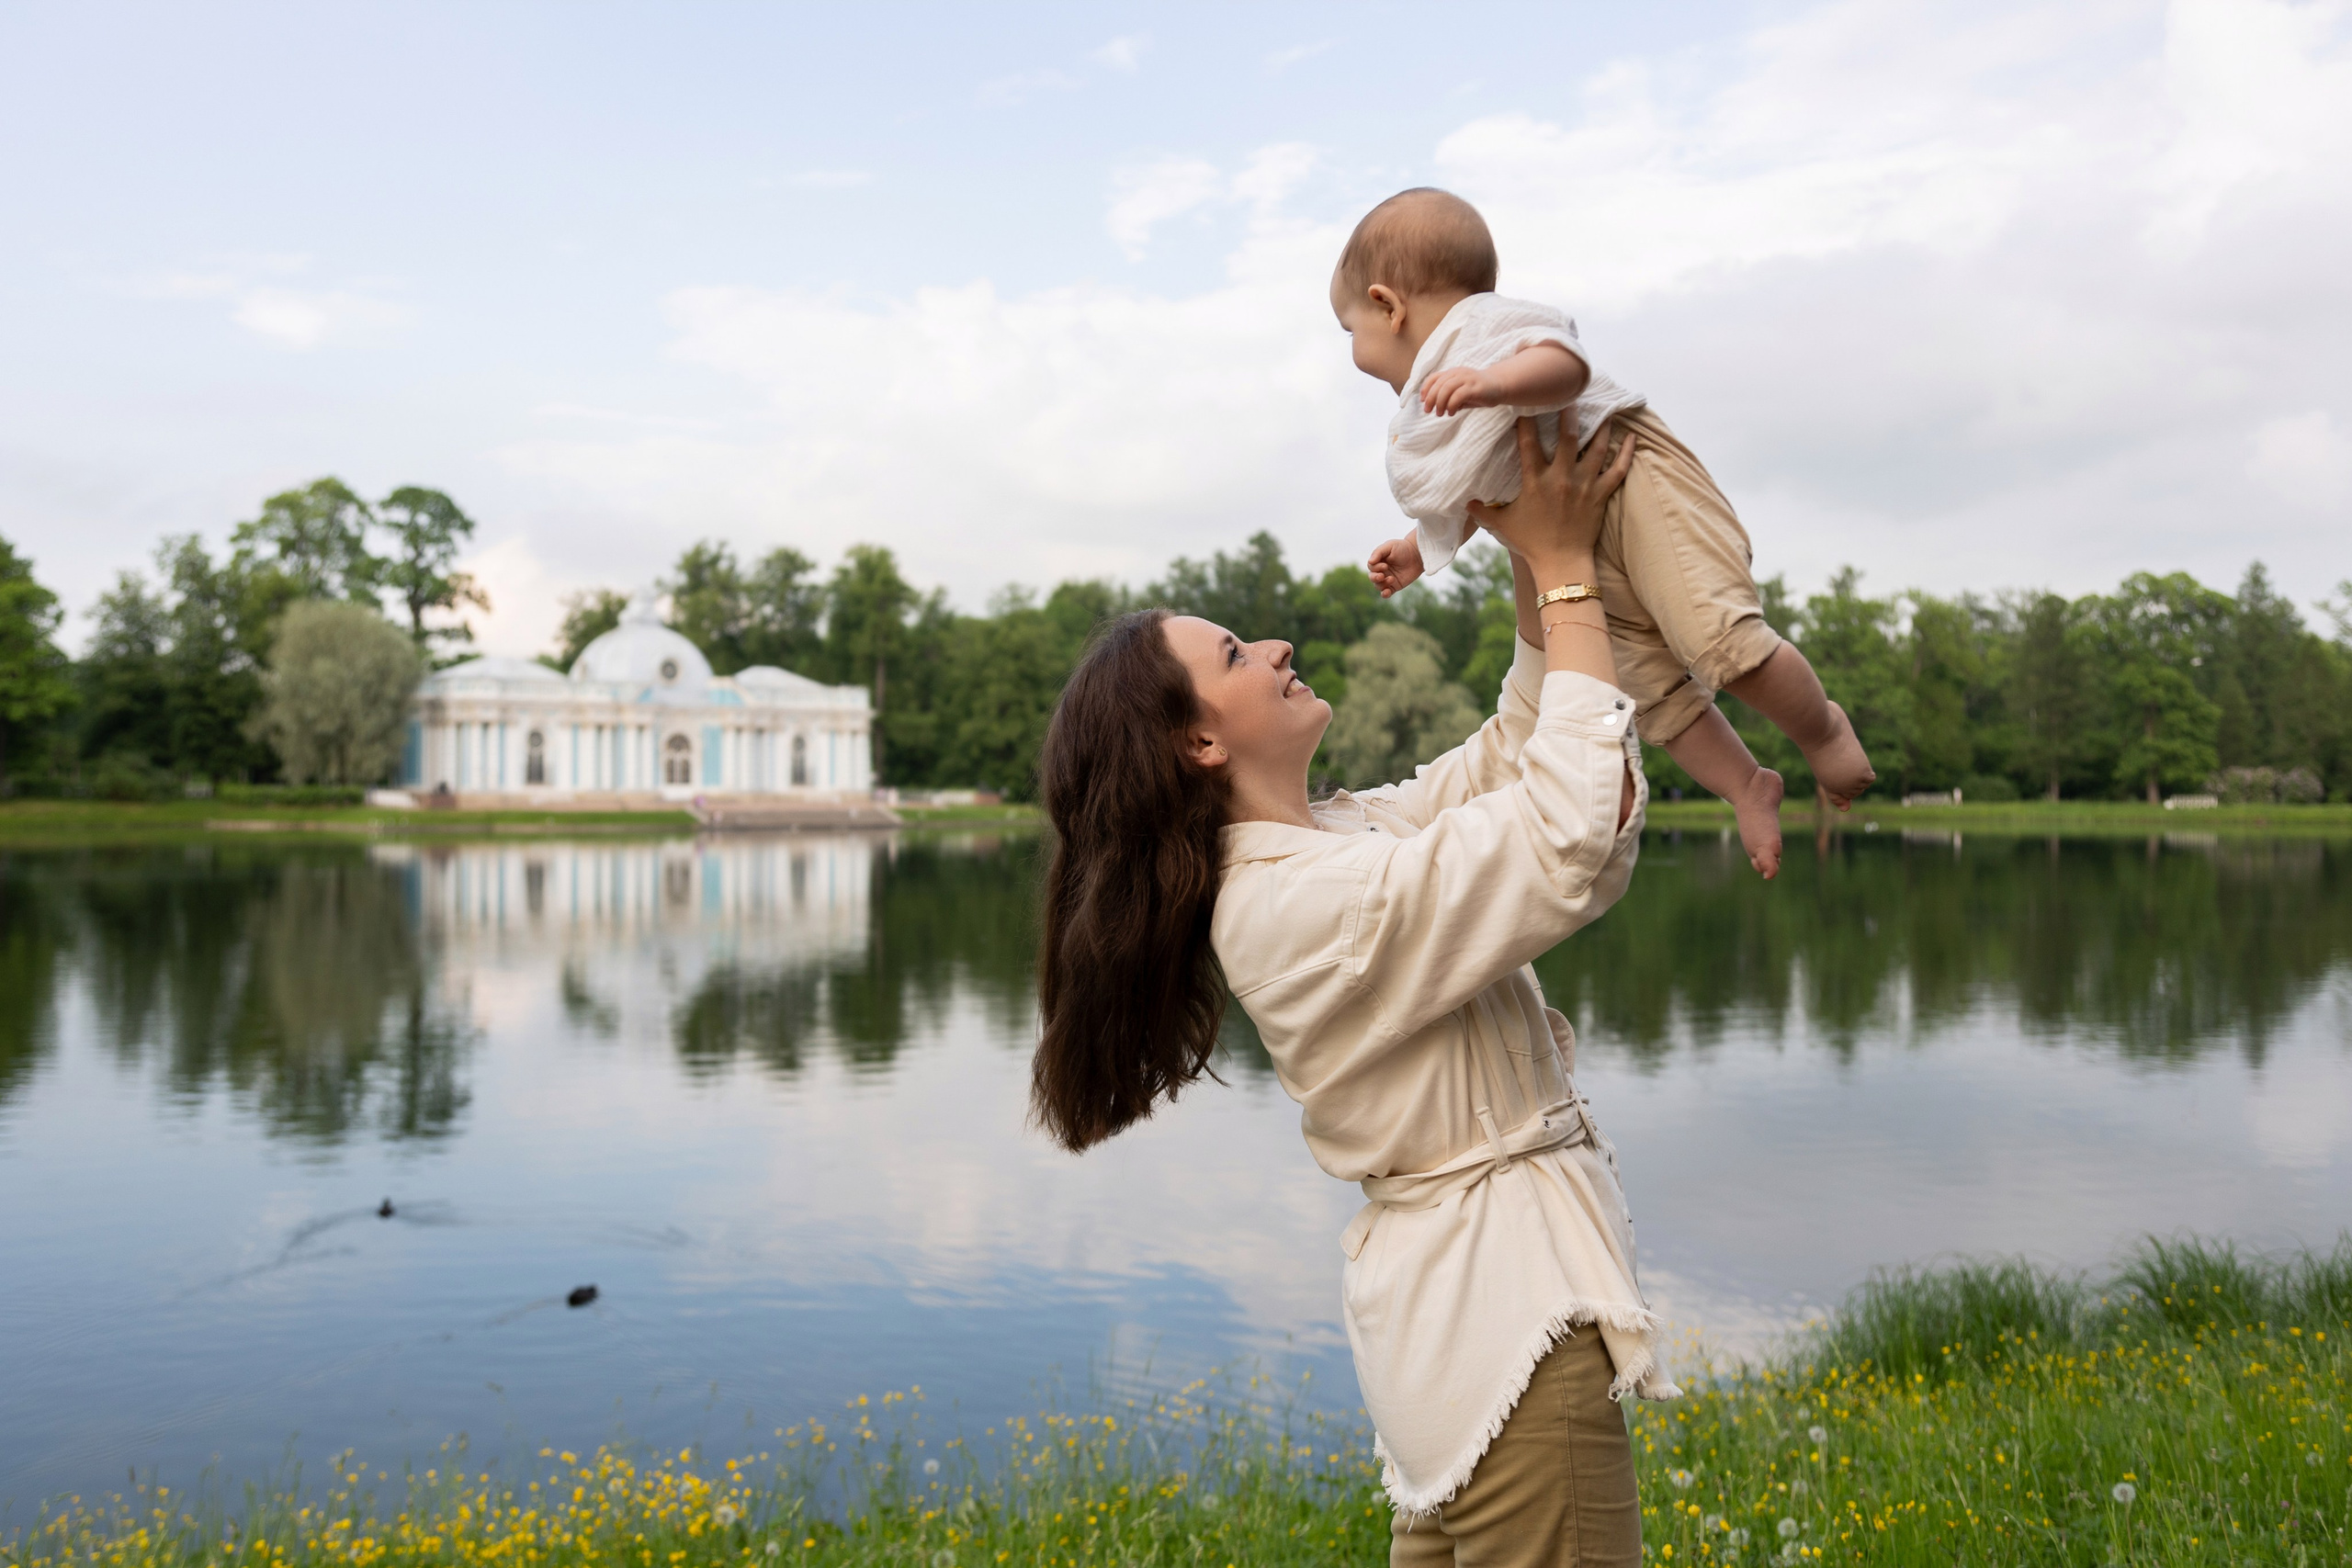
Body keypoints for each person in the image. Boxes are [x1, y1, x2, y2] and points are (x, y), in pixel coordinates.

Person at [1032, 416, 1673, 1566]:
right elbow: (1566, 834)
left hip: (1468, 1335)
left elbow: (1518, 747)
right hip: (1508, 1327)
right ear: (1199, 745)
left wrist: (1522, 532)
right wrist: (1571, 570)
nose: (1275, 647)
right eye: (1236, 655)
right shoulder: (1291, 905)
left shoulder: (1335, 839)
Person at [1338, 186, 1875, 878]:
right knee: (1651, 698)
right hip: (1575, 534)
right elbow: (1478, 483)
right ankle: (1747, 785)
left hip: (1631, 482)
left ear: (1388, 305)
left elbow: (1567, 365)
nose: (1354, 351)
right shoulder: (1443, 390)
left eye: (1350, 330)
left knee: (1719, 641)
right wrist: (1419, 548)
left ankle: (1821, 728)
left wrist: (1495, 383)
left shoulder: (1482, 328)